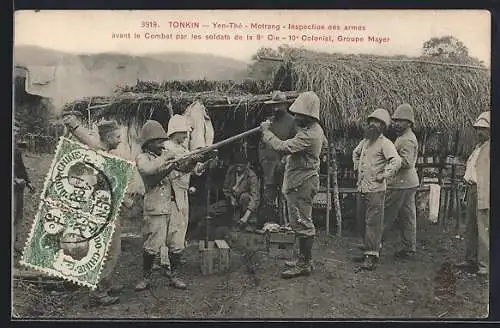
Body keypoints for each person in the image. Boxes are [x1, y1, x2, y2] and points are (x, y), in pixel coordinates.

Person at [260, 91, 326, 279]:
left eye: (300, 115)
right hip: (300, 180)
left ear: (309, 116)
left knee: (303, 222)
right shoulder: (310, 129)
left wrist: (266, 132)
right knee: (298, 221)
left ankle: (304, 264)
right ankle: (302, 259)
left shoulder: (309, 135)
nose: (296, 117)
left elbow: (282, 147)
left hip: (302, 182)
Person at [62, 112, 124, 306]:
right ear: (107, 138)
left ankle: (104, 283)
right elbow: (91, 143)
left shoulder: (105, 154)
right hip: (102, 211)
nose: (120, 141)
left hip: (105, 208)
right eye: (117, 137)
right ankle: (99, 292)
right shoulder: (99, 151)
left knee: (109, 250)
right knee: (111, 251)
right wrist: (74, 125)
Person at [134, 119, 204, 291]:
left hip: (175, 205)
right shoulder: (142, 158)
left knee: (176, 242)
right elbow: (149, 171)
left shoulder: (168, 154)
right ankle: (146, 277)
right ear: (148, 144)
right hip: (156, 207)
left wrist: (193, 161)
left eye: (162, 141)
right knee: (153, 244)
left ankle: (175, 276)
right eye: (157, 142)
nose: (162, 145)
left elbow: (183, 169)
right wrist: (167, 159)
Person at [352, 108, 402, 270]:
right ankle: (367, 250)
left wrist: (384, 174)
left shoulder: (385, 143)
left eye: (377, 122)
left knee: (373, 223)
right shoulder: (365, 142)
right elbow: (355, 153)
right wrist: (356, 166)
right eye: (371, 121)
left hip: (376, 190)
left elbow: (396, 161)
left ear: (383, 126)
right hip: (362, 188)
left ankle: (372, 255)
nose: (373, 124)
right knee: (361, 221)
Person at [162, 115, 208, 275]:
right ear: (175, 132)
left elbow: (193, 170)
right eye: (184, 133)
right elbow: (180, 166)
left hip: (182, 191)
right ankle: (166, 262)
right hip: (171, 192)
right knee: (172, 228)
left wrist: (203, 164)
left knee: (181, 225)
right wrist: (192, 161)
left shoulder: (183, 149)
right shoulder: (167, 148)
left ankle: (175, 256)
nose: (187, 136)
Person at [382, 104, 420, 260]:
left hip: (401, 183)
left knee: (386, 214)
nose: (396, 124)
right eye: (395, 120)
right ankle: (409, 247)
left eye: (401, 121)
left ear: (409, 123)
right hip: (408, 183)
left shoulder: (407, 140)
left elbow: (407, 162)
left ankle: (373, 245)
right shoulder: (404, 137)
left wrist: (389, 160)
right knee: (407, 216)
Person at [455, 111, 490, 276]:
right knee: (471, 226)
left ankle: (484, 265)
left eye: (483, 129)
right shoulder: (478, 147)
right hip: (472, 190)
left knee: (483, 228)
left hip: (484, 191)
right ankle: (470, 259)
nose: (479, 132)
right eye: (477, 129)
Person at [258, 91, 296, 225]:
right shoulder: (269, 123)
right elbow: (262, 145)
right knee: (269, 197)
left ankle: (287, 225)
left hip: (285, 167)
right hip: (269, 168)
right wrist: (263, 161)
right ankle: (270, 226)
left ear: (285, 105)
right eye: (274, 105)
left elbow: (294, 146)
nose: (276, 108)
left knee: (285, 197)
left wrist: (284, 161)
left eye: (279, 105)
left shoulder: (293, 122)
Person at [222, 151, 260, 232]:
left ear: (247, 165)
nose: (238, 168)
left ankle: (250, 222)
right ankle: (236, 221)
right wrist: (231, 197)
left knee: (244, 197)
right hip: (234, 202)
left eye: (241, 166)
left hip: (246, 203)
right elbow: (225, 189)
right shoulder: (231, 171)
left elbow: (255, 197)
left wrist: (246, 216)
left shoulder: (251, 176)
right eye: (237, 165)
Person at [13, 141, 35, 256]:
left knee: (18, 215)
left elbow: (21, 168)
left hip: (19, 187)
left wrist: (28, 182)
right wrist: (14, 178)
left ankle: (14, 243)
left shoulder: (16, 154)